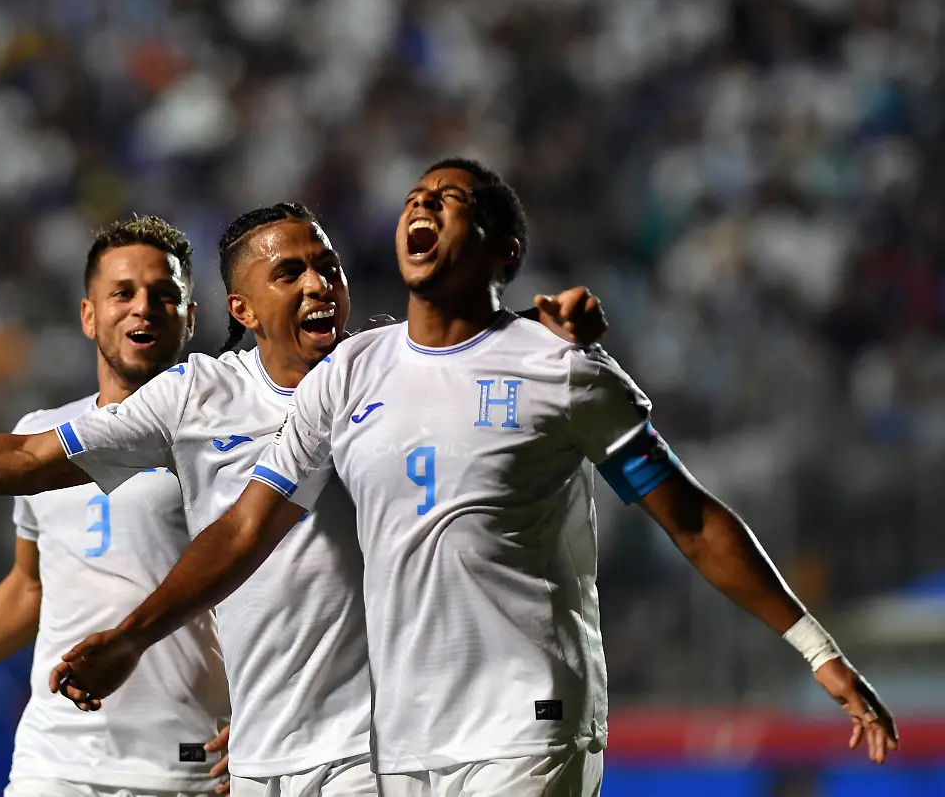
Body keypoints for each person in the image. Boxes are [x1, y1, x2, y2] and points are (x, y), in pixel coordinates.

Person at [46, 160, 900, 797]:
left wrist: (815, 647)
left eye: (450, 200)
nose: (423, 205)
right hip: (406, 746)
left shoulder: (561, 367)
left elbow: (691, 518)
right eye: (417, 197)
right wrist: (131, 637)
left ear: (505, 250)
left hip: (531, 725)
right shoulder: (355, 371)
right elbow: (242, 531)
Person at [0, 201, 608, 796]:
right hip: (184, 756)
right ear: (243, 311)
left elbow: (469, 357)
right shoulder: (192, 400)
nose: (319, 281)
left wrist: (542, 333)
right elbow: (26, 481)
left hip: (345, 748)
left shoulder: (382, 377)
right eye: (289, 271)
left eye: (328, 265)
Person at [0, 217, 233, 797]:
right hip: (53, 762)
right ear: (87, 315)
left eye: (165, 295)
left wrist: (265, 717)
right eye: (122, 292)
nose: (143, 307)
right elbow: (31, 586)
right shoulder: (41, 432)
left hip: (186, 765)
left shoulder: (227, 440)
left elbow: (281, 588)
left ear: (191, 319)